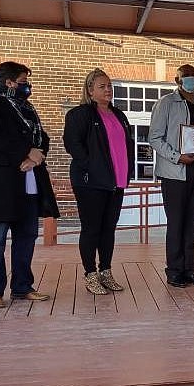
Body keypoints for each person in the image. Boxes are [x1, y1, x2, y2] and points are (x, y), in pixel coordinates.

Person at [0, 61, 59, 308]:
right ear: (8, 82)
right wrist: (26, 153)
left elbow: (43, 137)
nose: (27, 87)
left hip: (29, 182)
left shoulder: (28, 108)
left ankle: (22, 286)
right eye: (23, 82)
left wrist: (37, 154)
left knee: (26, 237)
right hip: (1, 184)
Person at [149, 64, 194, 288]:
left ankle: (189, 270)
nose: (191, 80)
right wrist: (176, 156)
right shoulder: (166, 103)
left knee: (192, 223)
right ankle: (174, 271)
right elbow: (154, 138)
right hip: (175, 172)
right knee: (177, 222)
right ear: (177, 80)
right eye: (186, 77)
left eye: (193, 77)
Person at [63, 68, 135, 295]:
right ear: (90, 90)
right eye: (102, 86)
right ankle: (90, 274)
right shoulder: (80, 114)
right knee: (92, 228)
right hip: (90, 182)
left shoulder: (119, 115)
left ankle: (106, 271)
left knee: (108, 229)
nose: (108, 90)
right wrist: (91, 166)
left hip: (115, 181)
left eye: (110, 86)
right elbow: (72, 144)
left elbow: (126, 146)